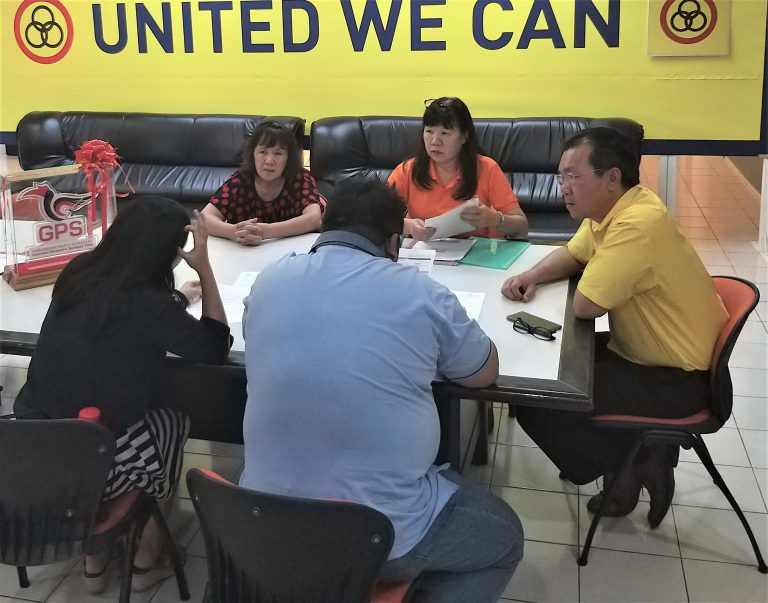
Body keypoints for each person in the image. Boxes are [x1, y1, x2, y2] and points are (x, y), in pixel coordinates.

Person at [240, 177, 523, 602]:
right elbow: (482, 372)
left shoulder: (270, 278)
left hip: (260, 523)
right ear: (394, 242)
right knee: (504, 537)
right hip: (377, 536)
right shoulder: (420, 292)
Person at [501, 127, 729, 527]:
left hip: (679, 377)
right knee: (543, 373)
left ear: (611, 177)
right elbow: (574, 255)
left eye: (573, 176)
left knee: (540, 398)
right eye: (561, 177)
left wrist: (585, 276)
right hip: (644, 354)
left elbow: (586, 306)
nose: (563, 188)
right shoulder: (615, 209)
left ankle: (633, 462)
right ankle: (639, 452)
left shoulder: (636, 224)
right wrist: (532, 276)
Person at [14, 196, 233, 593]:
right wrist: (204, 270)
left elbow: (122, 314)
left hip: (31, 460)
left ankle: (95, 561)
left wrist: (177, 299)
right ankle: (147, 555)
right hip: (94, 467)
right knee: (172, 421)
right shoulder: (151, 306)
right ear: (166, 254)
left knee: (94, 420)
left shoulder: (79, 272)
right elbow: (214, 346)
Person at [388, 97, 528, 241]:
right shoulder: (406, 171)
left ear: (464, 137)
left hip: (477, 251)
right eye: (429, 131)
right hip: (425, 250)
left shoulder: (487, 168)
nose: (435, 142)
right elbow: (377, 217)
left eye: (445, 133)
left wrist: (496, 219)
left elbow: (522, 227)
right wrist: (407, 226)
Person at [202, 120, 323, 245]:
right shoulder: (240, 181)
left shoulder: (300, 178)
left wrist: (266, 231)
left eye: (278, 153)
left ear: (288, 158)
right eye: (262, 152)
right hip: (245, 253)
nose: (269, 161)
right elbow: (204, 218)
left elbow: (314, 218)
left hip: (292, 250)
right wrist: (236, 232)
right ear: (252, 154)